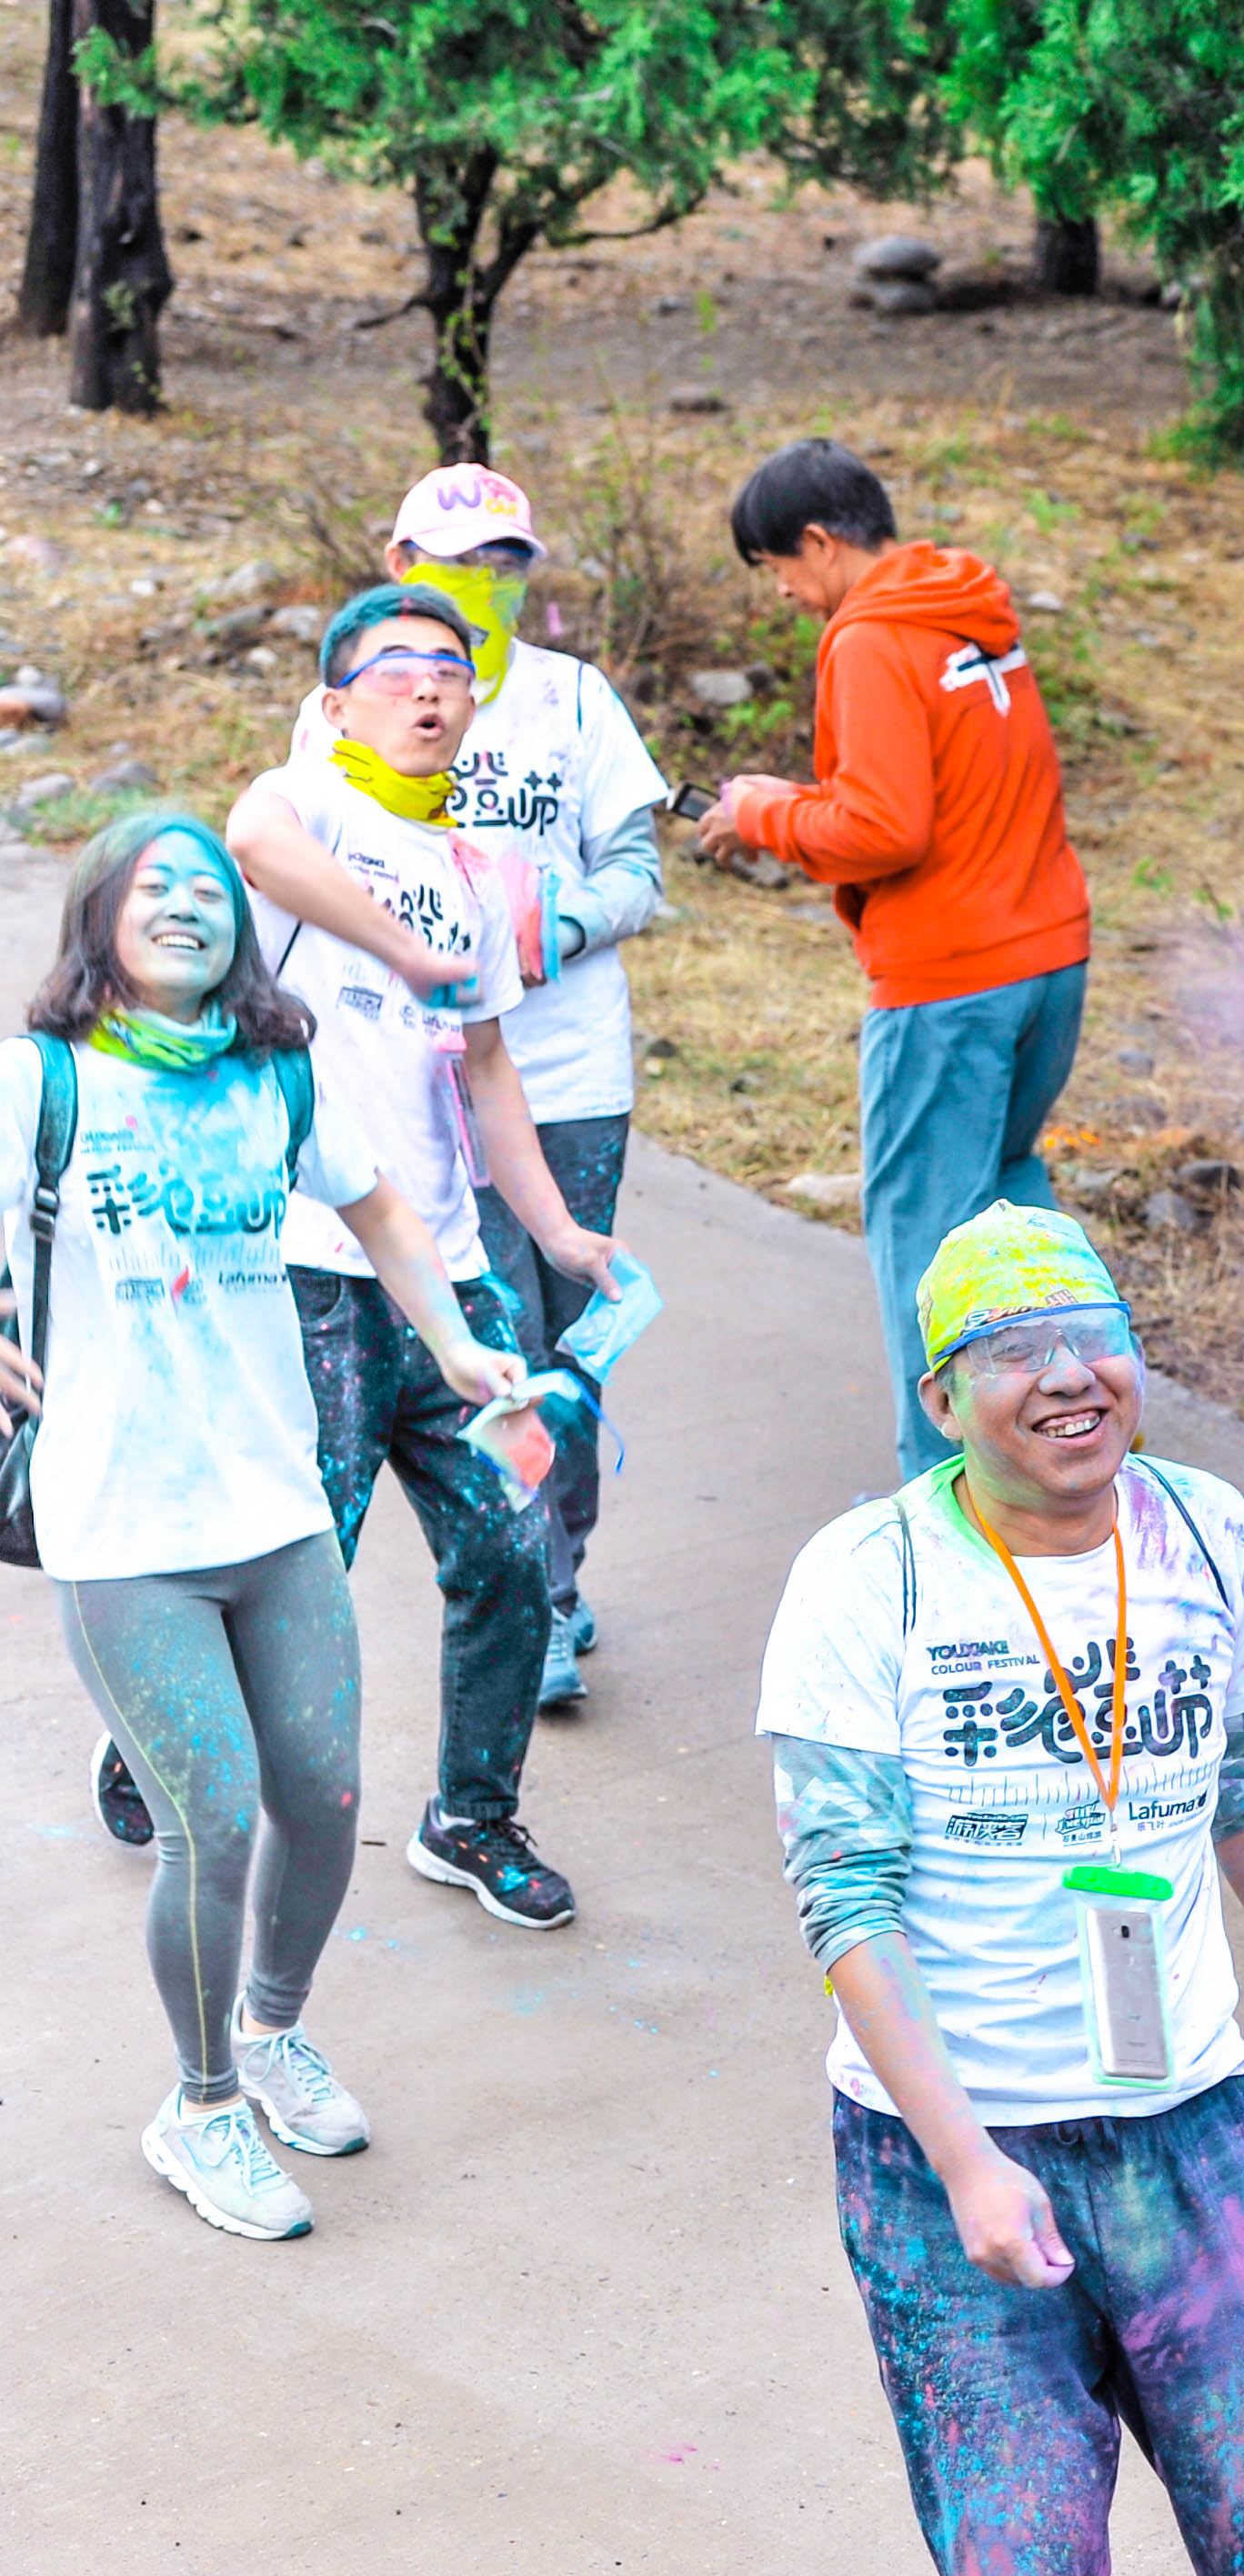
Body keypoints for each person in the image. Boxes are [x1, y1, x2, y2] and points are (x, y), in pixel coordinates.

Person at [757, 1202, 1244, 2576]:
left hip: (1193, 2129)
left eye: (1093, 1337)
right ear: (941, 1401)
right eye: (1014, 1351)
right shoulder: (867, 1581)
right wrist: (965, 2165)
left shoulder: (1205, 1528)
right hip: (949, 2157)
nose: (1067, 1376)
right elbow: (848, 1902)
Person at [10, 813, 523, 2239]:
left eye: (211, 888)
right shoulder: (43, 1081)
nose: (187, 903)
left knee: (326, 1797)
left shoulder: (277, 1077)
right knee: (215, 1821)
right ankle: (202, 2105)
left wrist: (456, 1342)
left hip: (274, 1507)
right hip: (122, 1526)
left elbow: (384, 1214)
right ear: (100, 916)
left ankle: (276, 2032)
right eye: (154, 884)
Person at [223, 586, 630, 1935]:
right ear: (337, 704)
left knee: (511, 1552)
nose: (430, 688)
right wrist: (400, 949)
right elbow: (251, 840)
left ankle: (471, 1817)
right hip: (310, 1265)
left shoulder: (475, 870)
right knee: (304, 1552)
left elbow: (490, 1069)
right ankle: (165, 1738)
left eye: (452, 669)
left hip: (456, 1281)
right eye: (397, 668)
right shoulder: (314, 803)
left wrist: (556, 1230)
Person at [287, 462, 669, 1714]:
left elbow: (637, 868)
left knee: (563, 1337)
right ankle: (531, 1596)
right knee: (474, 1355)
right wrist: (407, 952)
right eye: (458, 565)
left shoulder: (570, 697)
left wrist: (558, 923)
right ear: (402, 566)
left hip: (561, 1070)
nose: (484, 585)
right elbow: (281, 854)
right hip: (408, 1097)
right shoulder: (355, 704)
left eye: (507, 563)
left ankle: (556, 1575)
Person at [698, 437, 1092, 1479]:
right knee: (1008, 1196)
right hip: (1048, 957)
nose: (783, 593)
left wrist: (762, 813)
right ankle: (1079, 1439)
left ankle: (951, 1490)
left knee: (927, 1246)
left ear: (819, 543)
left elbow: (883, 828)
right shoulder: (966, 606)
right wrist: (789, 805)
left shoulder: (869, 637)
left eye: (777, 567)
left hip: (949, 983)